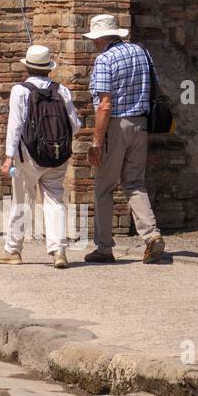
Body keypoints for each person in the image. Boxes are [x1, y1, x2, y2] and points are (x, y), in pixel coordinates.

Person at [84, 13, 166, 264]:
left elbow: (105, 105)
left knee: (104, 187)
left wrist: (97, 142)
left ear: (101, 38)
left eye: (95, 39)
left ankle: (104, 247)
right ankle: (151, 234)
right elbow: (154, 85)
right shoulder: (141, 52)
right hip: (140, 123)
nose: (94, 44)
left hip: (116, 126)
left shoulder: (104, 60)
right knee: (135, 183)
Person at [0, 44, 81, 268]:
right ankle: (58, 251)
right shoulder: (62, 91)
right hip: (57, 154)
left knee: (21, 199)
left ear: (27, 67)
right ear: (49, 69)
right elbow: (75, 125)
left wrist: (8, 157)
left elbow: (15, 126)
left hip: (28, 154)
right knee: (55, 199)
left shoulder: (21, 90)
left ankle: (13, 250)